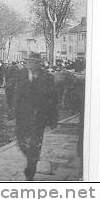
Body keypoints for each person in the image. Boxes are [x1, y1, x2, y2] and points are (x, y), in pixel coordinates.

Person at [14, 52, 58, 180]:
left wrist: (53, 119)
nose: (30, 63)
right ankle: (32, 158)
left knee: (35, 143)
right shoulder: (20, 75)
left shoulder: (47, 77)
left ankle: (31, 168)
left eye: (33, 61)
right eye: (29, 61)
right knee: (20, 141)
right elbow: (15, 95)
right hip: (22, 116)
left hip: (40, 117)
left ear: (39, 63)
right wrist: (12, 113)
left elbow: (53, 99)